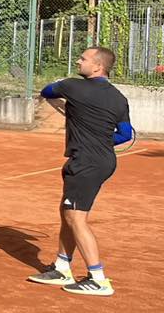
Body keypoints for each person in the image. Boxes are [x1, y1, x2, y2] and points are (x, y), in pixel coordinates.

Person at [27, 46, 133, 297]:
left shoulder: (73, 86)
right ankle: (62, 267)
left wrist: (63, 97)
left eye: (83, 59)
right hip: (102, 160)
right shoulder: (119, 98)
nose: (78, 61)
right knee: (67, 211)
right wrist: (99, 140)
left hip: (85, 162)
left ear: (97, 66)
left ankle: (98, 278)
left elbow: (47, 91)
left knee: (76, 217)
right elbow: (126, 134)